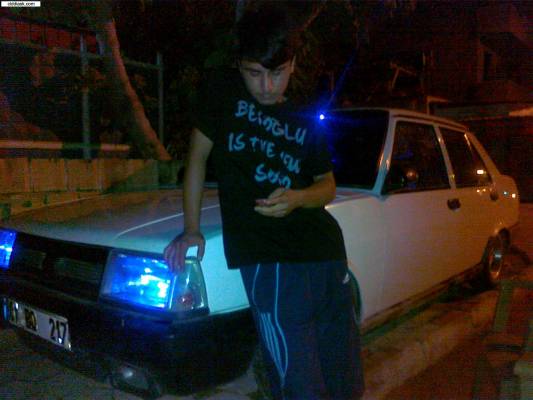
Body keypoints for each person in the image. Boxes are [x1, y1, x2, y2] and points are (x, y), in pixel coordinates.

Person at [164, 3, 364, 399]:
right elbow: (197, 159)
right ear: (239, 64)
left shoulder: (304, 114)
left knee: (345, 377)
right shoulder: (222, 91)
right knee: (299, 384)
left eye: (277, 73)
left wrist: (298, 198)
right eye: (255, 73)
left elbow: (327, 185)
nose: (268, 86)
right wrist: (191, 229)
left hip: (326, 255)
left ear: (293, 64)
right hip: (271, 264)